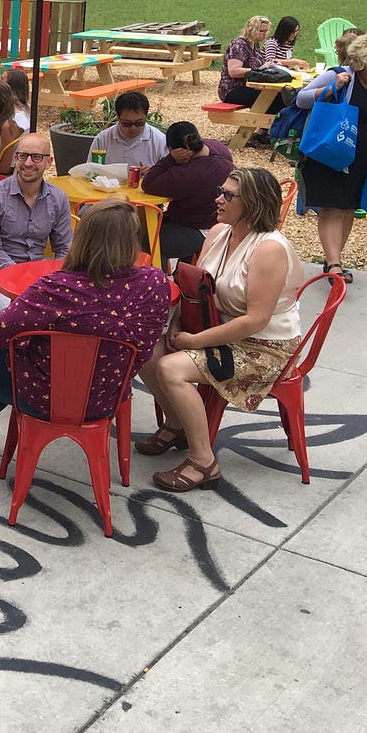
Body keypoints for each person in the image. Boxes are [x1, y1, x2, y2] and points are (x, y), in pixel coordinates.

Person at [0, 198, 169, 459]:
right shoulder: (155, 283)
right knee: (14, 356)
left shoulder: (58, 288)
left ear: (84, 237)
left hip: (43, 397)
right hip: (107, 395)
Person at [135, 167, 303, 492]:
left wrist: (194, 339)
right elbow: (194, 287)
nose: (218, 199)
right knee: (148, 350)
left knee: (170, 368)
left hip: (263, 346)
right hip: (217, 328)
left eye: (228, 195)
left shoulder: (270, 249)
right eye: (220, 191)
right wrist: (179, 322)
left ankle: (203, 462)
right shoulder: (218, 232)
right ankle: (176, 426)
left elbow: (255, 320)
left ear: (252, 203)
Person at [293, 30, 367, 283]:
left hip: (364, 157)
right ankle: (334, 264)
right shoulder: (342, 75)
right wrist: (330, 89)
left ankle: (334, 259)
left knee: (349, 206)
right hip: (333, 152)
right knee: (333, 206)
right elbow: (301, 98)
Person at [0, 132, 72, 312]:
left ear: (48, 162)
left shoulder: (58, 199)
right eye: (22, 156)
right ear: (15, 158)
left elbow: (64, 248)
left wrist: (55, 278)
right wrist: (21, 278)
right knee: (25, 310)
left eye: (36, 157)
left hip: (39, 274)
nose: (28, 163)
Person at [140, 121, 233, 268]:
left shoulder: (186, 175)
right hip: (219, 221)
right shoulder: (217, 147)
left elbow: (148, 183)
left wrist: (170, 159)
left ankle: (160, 284)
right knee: (154, 223)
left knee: (149, 242)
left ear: (175, 150)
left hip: (201, 229)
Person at [218, 15, 298, 113]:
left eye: (266, 31)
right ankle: (268, 126)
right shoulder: (238, 45)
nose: (265, 34)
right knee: (276, 100)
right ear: (251, 30)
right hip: (232, 90)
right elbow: (234, 71)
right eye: (261, 31)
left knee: (281, 96)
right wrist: (260, 69)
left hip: (251, 86)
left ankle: (267, 127)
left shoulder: (254, 44)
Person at [88, 91, 167, 167]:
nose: (133, 128)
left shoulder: (159, 141)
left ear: (146, 117)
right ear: (118, 117)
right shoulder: (103, 139)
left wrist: (153, 173)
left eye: (139, 123)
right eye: (127, 123)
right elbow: (90, 171)